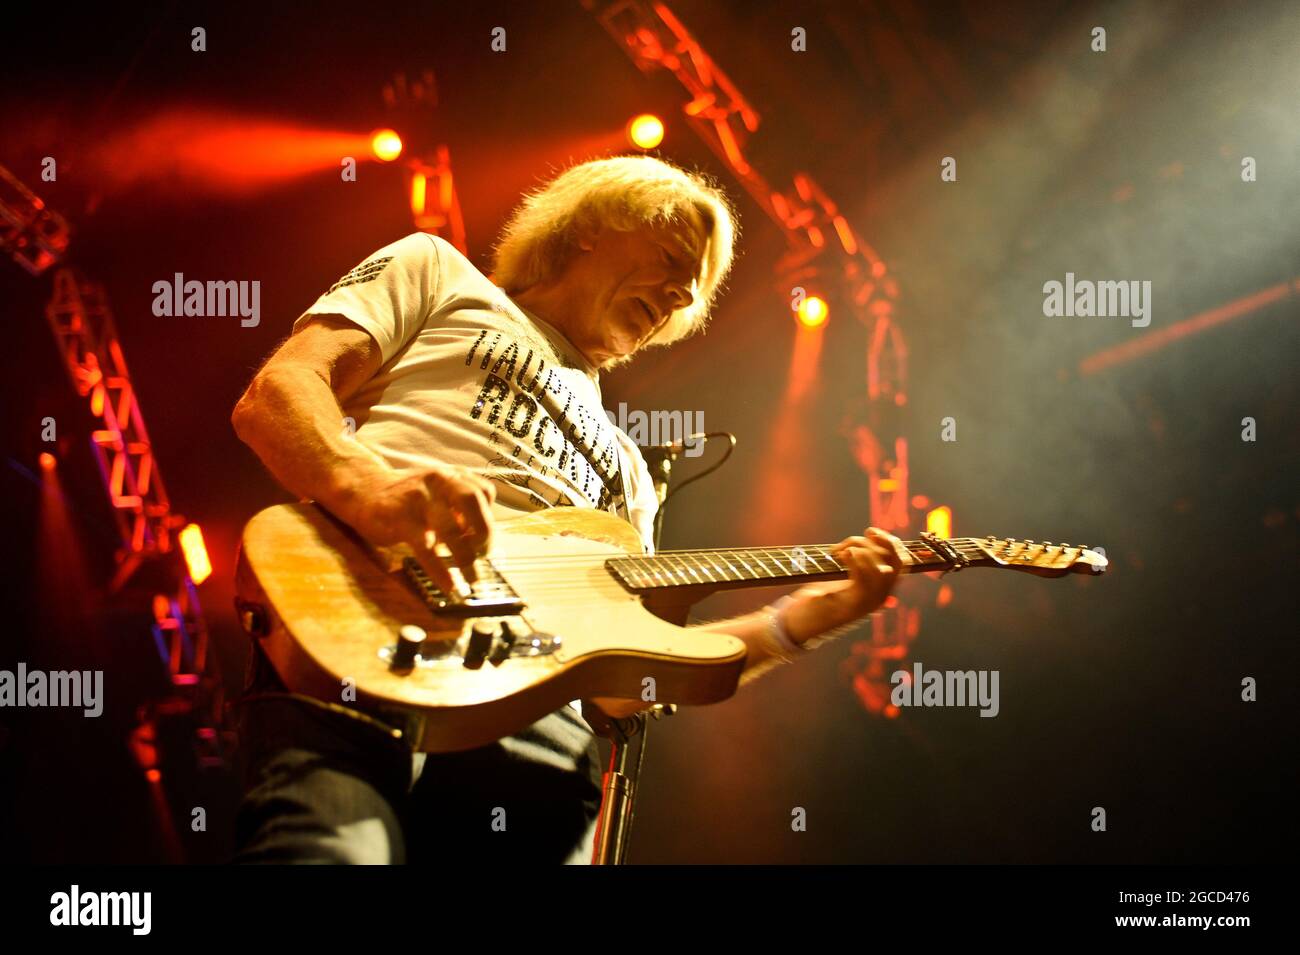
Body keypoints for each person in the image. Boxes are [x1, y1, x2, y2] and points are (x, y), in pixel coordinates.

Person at [229, 154, 906, 864]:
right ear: (590, 225)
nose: (679, 296)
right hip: (367, 629)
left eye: (692, 293)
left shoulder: (630, 472)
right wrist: (369, 487)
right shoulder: (438, 272)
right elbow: (279, 392)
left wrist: (802, 621)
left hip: (535, 722)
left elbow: (622, 691)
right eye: (673, 260)